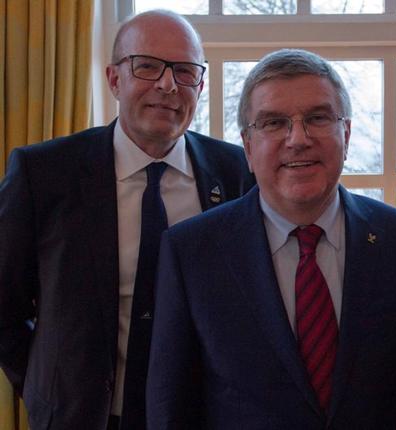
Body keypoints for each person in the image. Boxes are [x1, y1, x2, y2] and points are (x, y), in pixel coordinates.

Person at [0, 9, 254, 430]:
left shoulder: (238, 173)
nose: (168, 85)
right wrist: (43, 385)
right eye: (148, 66)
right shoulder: (43, 174)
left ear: (201, 85)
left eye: (185, 71)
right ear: (114, 79)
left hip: (201, 416)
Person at [146, 48, 396, 429]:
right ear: (247, 145)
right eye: (274, 123)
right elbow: (171, 407)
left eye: (318, 118)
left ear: (345, 132)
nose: (298, 139)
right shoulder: (192, 252)